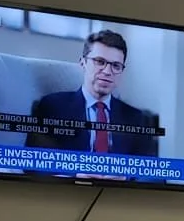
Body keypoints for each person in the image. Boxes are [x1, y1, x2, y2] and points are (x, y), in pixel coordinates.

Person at [26, 30, 160, 157]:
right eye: (100, 62)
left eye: (116, 66)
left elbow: (148, 169)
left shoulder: (137, 119)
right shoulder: (51, 106)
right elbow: (36, 161)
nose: (107, 72)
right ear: (83, 63)